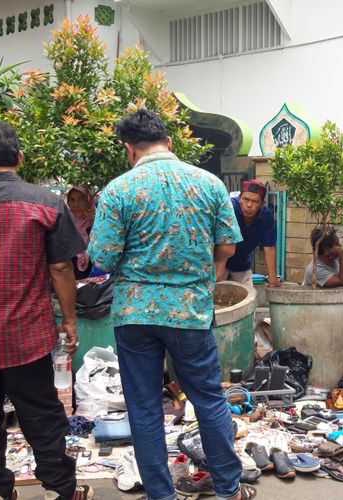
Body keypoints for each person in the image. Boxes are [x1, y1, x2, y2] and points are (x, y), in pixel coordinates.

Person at [87, 110, 254, 500]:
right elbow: (228, 247)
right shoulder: (209, 184)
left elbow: (103, 258)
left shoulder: (119, 190)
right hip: (190, 312)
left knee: (145, 408)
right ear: (170, 142)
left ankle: (161, 494)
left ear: (129, 149)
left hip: (136, 314)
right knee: (209, 399)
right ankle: (228, 489)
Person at [0, 120, 92, 500]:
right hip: (26, 333)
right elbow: (61, 267)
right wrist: (70, 322)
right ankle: (59, 490)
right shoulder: (45, 202)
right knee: (41, 414)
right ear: (20, 157)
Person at [217, 180, 279, 288]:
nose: (249, 205)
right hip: (219, 260)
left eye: (254, 202)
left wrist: (273, 281)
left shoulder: (266, 216)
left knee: (247, 299)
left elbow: (269, 247)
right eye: (246, 199)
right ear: (240, 198)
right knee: (216, 296)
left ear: (262, 204)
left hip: (242, 264)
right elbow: (224, 240)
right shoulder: (230, 208)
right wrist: (218, 275)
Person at [66, 186, 95, 279]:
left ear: (90, 202)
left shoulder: (100, 224)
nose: (75, 204)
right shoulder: (64, 224)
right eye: (72, 199)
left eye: (81, 199)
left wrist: (95, 223)